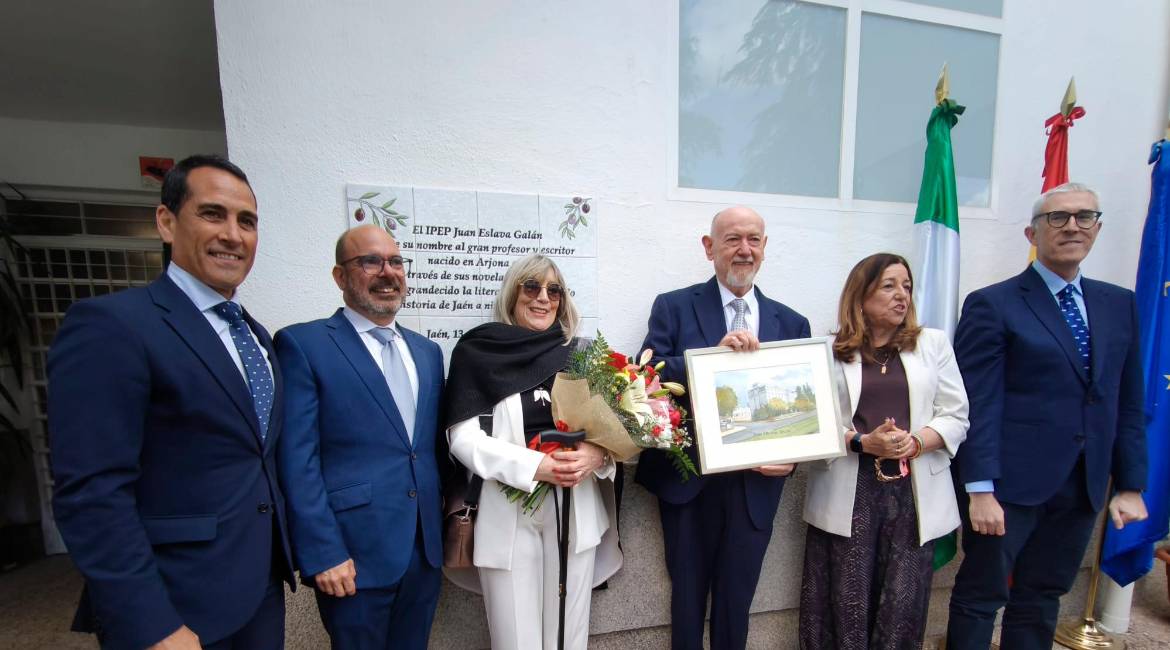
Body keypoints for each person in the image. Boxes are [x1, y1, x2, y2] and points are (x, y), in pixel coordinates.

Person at [48, 155, 294, 650]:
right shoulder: (113, 326)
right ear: (166, 221)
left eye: (246, 221)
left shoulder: (255, 335)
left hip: (258, 591)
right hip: (174, 606)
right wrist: (151, 624)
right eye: (212, 214)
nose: (233, 234)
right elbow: (92, 493)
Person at [946, 182, 1148, 649]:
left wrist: (1130, 484)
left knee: (1043, 596)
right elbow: (977, 401)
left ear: (1097, 228)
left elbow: (1128, 401)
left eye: (1084, 216)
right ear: (1031, 233)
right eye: (1058, 218)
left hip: (1082, 485)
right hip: (1007, 489)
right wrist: (979, 489)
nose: (1072, 226)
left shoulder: (1120, 304)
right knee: (981, 596)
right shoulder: (993, 304)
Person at [637, 206, 810, 650]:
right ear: (709, 247)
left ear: (765, 248)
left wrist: (790, 462)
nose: (744, 250)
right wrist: (708, 359)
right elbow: (645, 376)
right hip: (690, 483)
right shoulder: (673, 306)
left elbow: (803, 409)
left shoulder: (791, 323)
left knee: (738, 605)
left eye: (754, 239)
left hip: (756, 489)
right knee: (687, 605)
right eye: (733, 239)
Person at [275, 224, 445, 649]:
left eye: (396, 262)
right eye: (370, 261)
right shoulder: (304, 344)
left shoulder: (427, 352)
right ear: (340, 276)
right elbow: (298, 461)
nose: (387, 273)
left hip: (423, 553)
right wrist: (322, 551)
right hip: (351, 557)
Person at [443, 254, 621, 650]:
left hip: (576, 512)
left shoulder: (580, 354)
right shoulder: (478, 352)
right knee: (515, 640)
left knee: (569, 638)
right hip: (508, 515)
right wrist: (535, 466)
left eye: (554, 290)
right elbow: (463, 439)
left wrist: (596, 455)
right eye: (532, 287)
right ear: (513, 293)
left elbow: (614, 434)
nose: (544, 298)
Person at [799, 253, 969, 648]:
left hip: (912, 496)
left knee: (902, 603)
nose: (901, 296)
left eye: (906, 286)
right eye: (889, 285)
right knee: (846, 600)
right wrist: (863, 441)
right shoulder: (830, 349)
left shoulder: (933, 344)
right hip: (849, 491)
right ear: (861, 295)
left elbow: (956, 413)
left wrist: (916, 442)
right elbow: (813, 420)